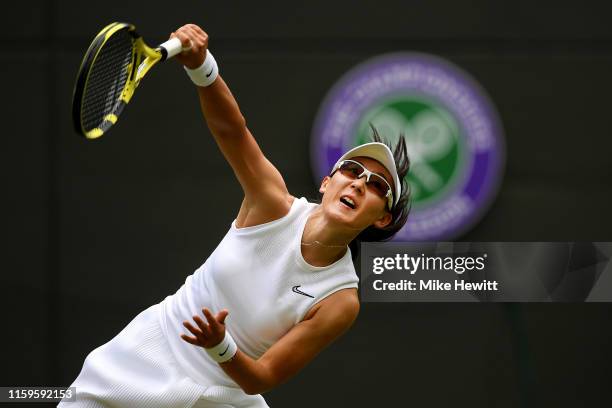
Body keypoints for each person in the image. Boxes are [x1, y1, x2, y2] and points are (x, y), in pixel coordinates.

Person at [59, 23, 410, 408]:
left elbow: (263, 377)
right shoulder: (272, 204)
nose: (360, 183)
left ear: (382, 219)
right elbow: (232, 130)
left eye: (378, 185)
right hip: (143, 358)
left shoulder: (339, 301)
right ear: (327, 183)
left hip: (221, 395)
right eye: (352, 171)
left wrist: (219, 345)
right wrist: (201, 65)